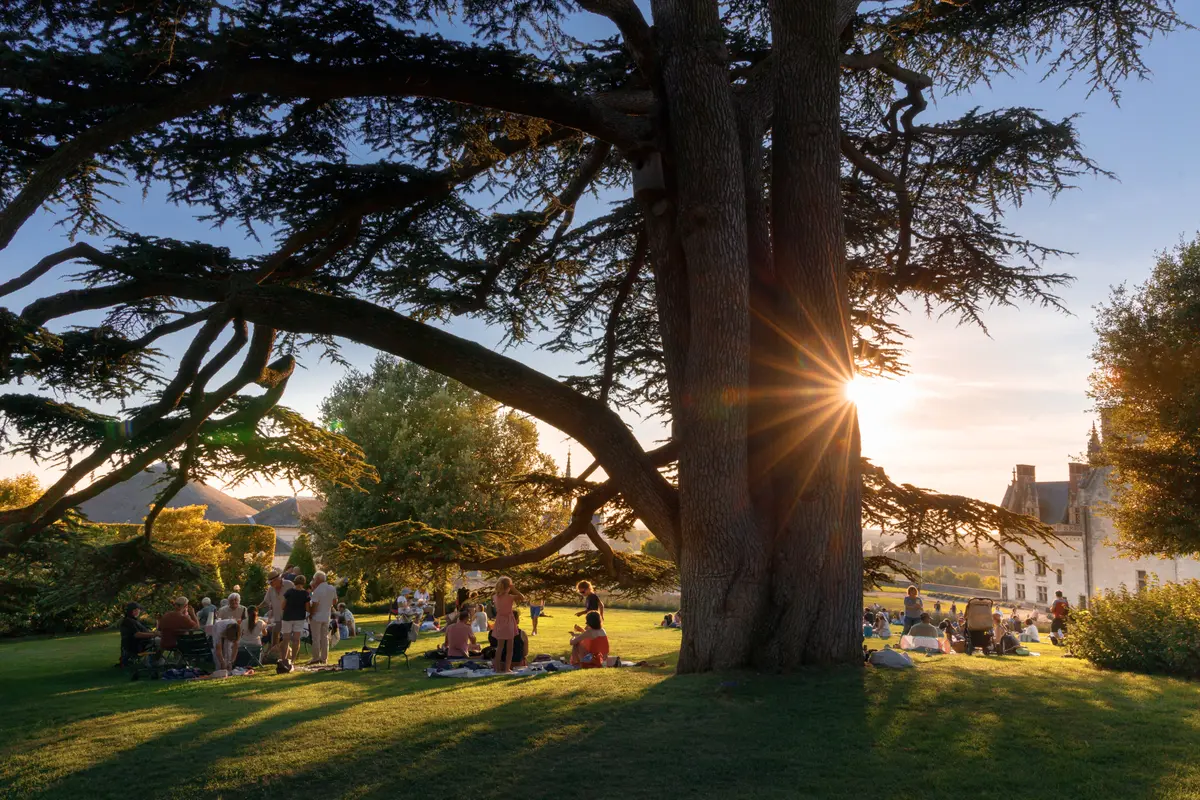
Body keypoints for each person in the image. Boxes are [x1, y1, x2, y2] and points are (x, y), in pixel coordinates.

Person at [491, 576, 526, 673]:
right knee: (509, 647)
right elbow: (522, 598)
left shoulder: (495, 597)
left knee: (500, 647)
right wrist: (514, 589)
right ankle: (507, 668)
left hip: (499, 621)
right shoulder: (510, 597)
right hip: (508, 621)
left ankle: (497, 669)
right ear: (509, 587)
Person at [307, 570, 338, 665]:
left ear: (317, 579)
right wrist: (328, 605)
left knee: (316, 638)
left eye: (314, 579)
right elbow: (335, 601)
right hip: (326, 616)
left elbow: (315, 605)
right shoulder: (331, 588)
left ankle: (316, 658)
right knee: (325, 638)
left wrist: (311, 615)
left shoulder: (317, 590)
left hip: (317, 617)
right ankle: (324, 658)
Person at [279, 574, 310, 667]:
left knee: (286, 640)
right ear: (303, 583)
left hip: (287, 617)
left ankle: (284, 659)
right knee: (296, 640)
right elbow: (308, 608)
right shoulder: (305, 594)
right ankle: (292, 660)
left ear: (295, 582)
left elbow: (283, 606)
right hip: (299, 618)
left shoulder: (289, 592)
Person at [260, 568, 294, 650]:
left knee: (287, 635)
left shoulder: (289, 584)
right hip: (278, 616)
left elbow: (296, 596)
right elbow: (266, 601)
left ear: (278, 579)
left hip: (290, 615)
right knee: (275, 633)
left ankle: (285, 651)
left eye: (271, 582)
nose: (270, 584)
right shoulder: (271, 589)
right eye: (269, 583)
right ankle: (273, 652)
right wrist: (257, 607)